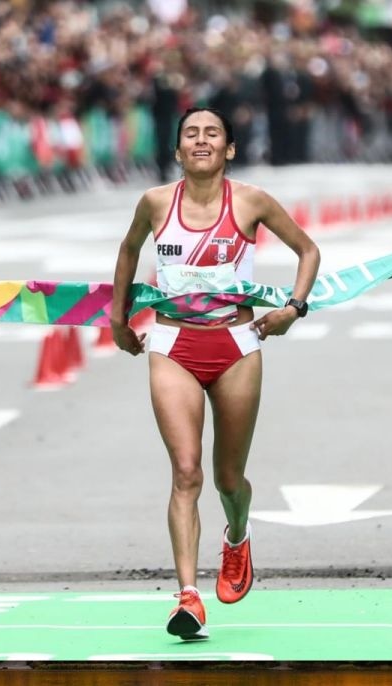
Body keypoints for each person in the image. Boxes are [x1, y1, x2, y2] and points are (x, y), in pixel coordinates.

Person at [108, 107, 320, 641]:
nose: (200, 141)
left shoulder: (250, 202)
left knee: (228, 479)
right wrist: (118, 321)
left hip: (237, 346)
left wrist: (293, 309)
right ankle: (188, 596)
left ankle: (238, 534)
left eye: (212, 134)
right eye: (190, 134)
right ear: (178, 151)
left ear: (228, 150)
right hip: (173, 344)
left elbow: (308, 250)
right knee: (186, 472)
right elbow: (129, 251)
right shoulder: (156, 203)